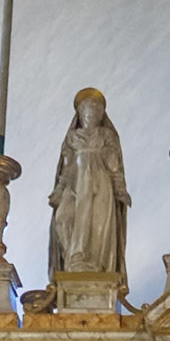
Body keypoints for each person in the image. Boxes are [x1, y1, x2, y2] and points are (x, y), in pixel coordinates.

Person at [47, 86, 130, 287]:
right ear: (81, 113)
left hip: (100, 183)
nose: (92, 114)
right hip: (76, 182)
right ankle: (74, 257)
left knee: (98, 224)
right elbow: (66, 167)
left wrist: (119, 188)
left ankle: (94, 263)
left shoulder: (107, 136)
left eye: (96, 110)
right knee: (63, 217)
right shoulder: (73, 137)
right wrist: (59, 190)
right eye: (88, 109)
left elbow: (114, 165)